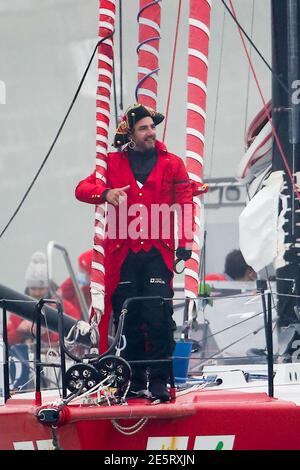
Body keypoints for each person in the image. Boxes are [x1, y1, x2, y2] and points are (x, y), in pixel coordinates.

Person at [75, 103, 206, 401]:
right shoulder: (109, 163)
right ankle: (133, 379)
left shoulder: (172, 163)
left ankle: (159, 380)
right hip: (122, 253)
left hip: (157, 253)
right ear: (130, 135)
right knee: (130, 317)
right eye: (144, 128)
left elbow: (186, 202)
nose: (151, 132)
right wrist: (105, 193)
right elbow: (82, 190)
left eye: (152, 127)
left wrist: (185, 243)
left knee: (158, 316)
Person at [58, 250, 93, 319]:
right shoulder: (79, 288)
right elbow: (61, 294)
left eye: (82, 270)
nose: (79, 273)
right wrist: (73, 280)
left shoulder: (96, 294)